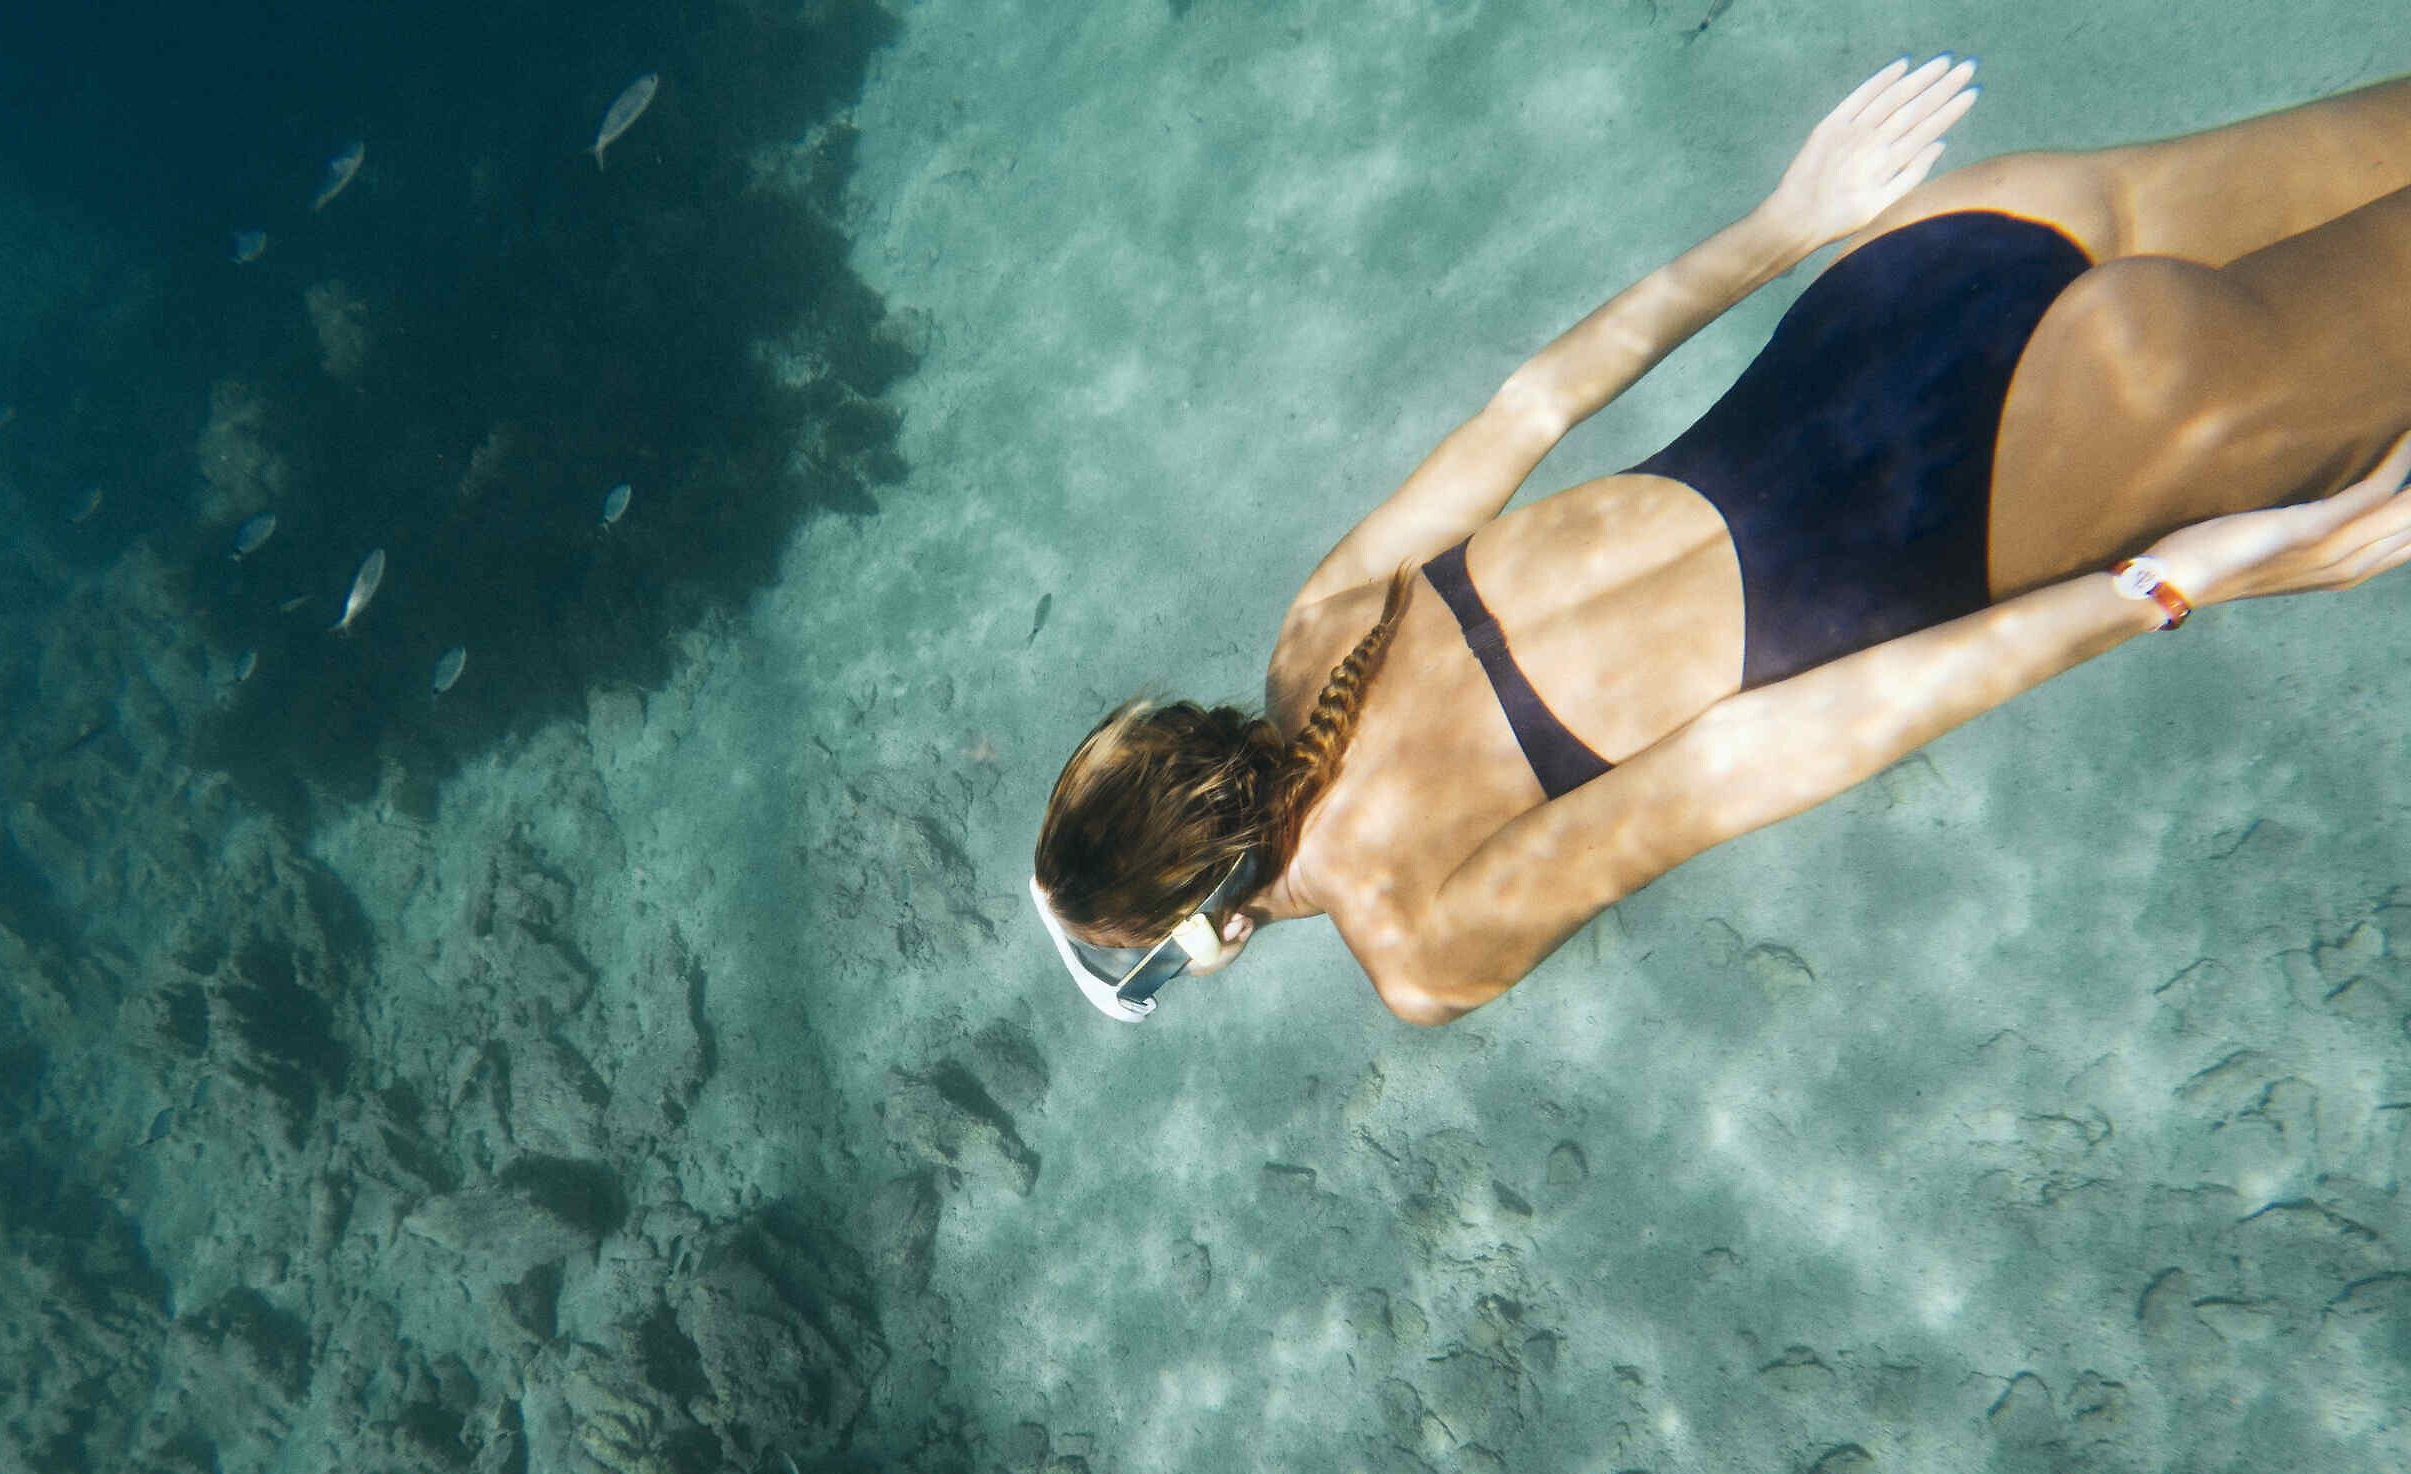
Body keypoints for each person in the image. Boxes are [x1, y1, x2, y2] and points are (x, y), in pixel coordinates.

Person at [1031, 55, 2411, 1025]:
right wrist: (1787, 222)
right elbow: (1535, 404)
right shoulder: (1312, 625)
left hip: (2068, 439)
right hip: (1924, 270)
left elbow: (1756, 756)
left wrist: (2158, 586)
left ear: (1204, 936)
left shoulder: (1422, 937)